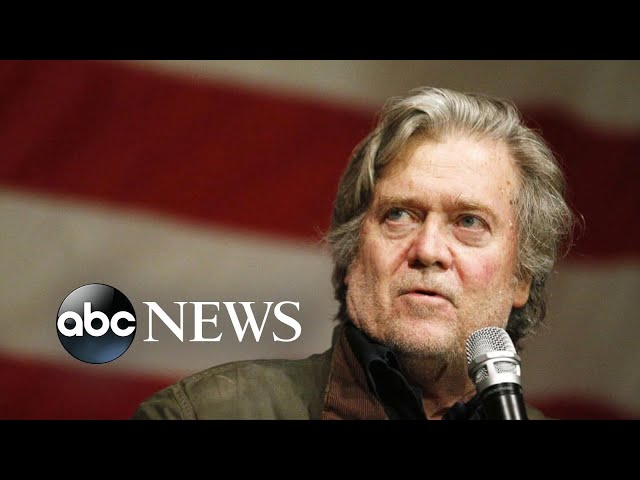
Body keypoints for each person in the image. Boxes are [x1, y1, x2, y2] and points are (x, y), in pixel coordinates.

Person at [132, 86, 575, 420]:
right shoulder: (200, 414)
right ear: (351, 254)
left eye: (469, 222)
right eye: (399, 215)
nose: (428, 250)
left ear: (522, 276)